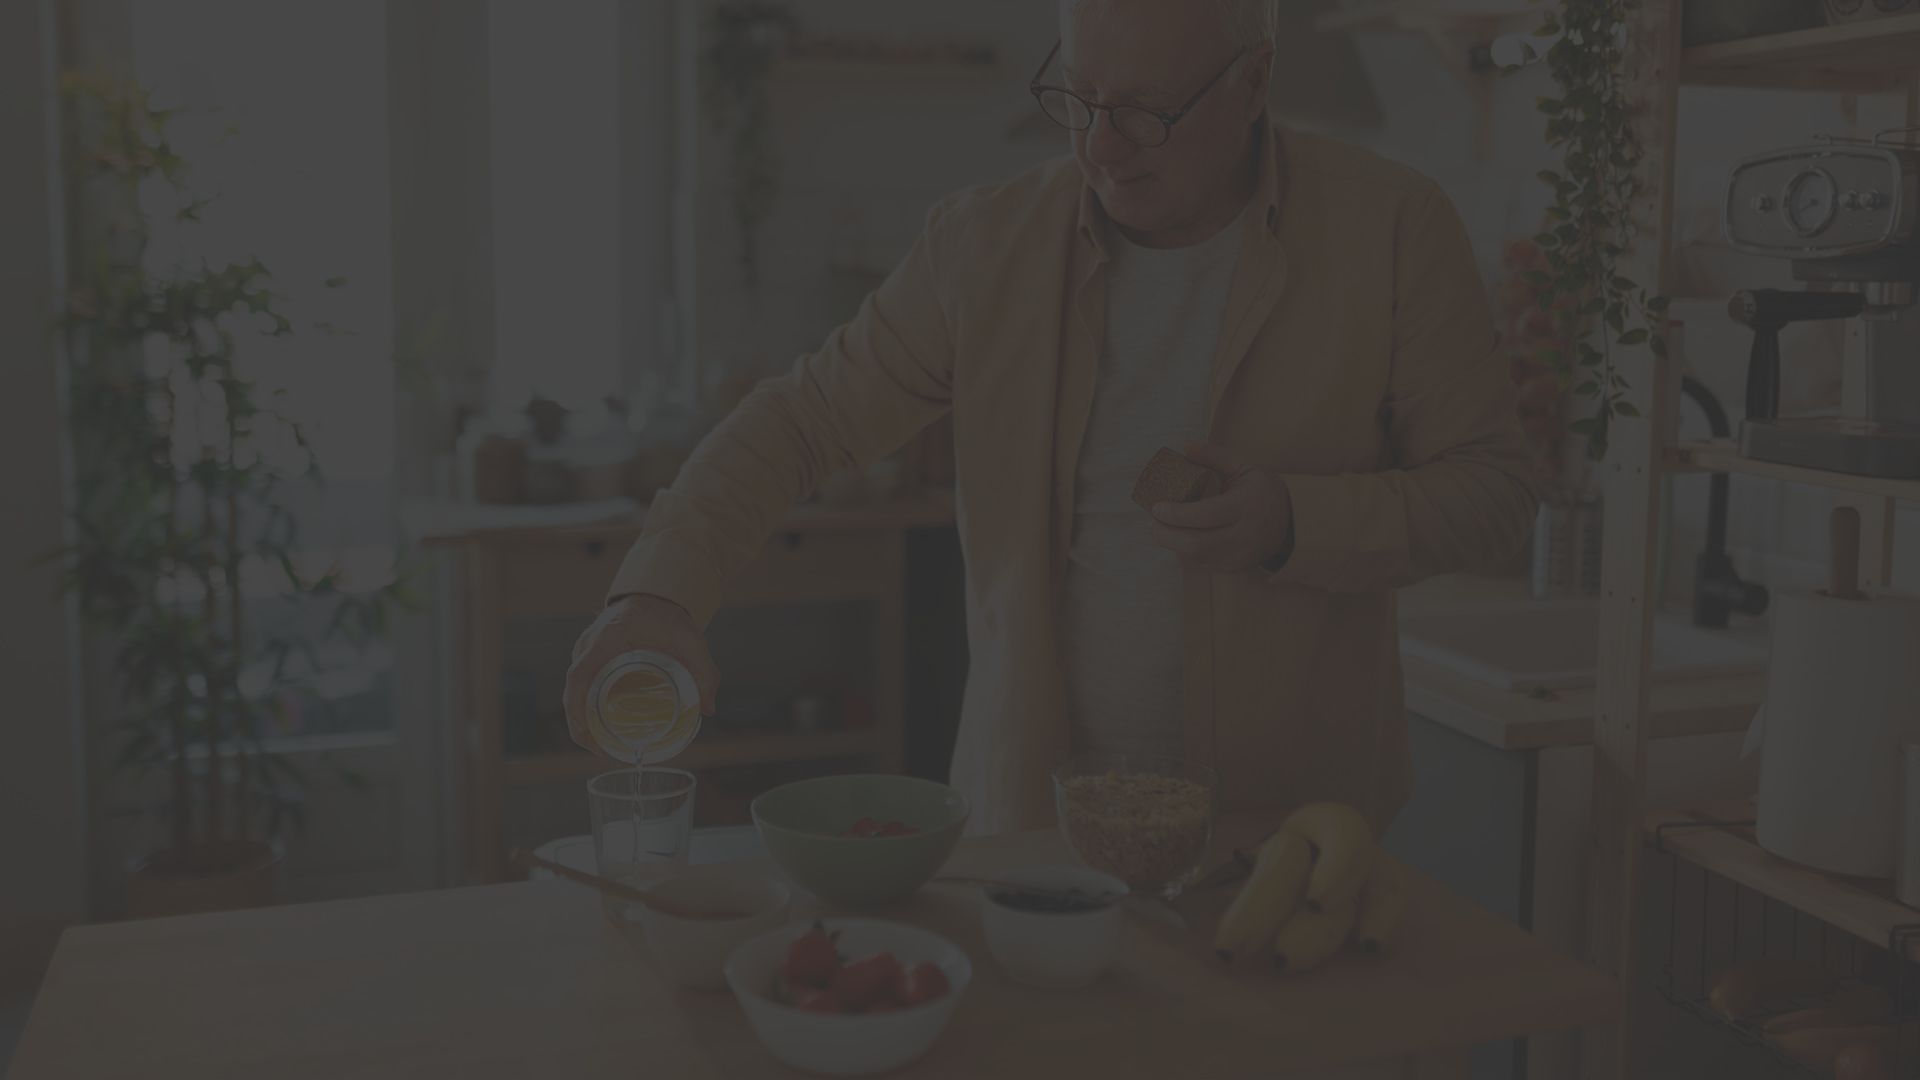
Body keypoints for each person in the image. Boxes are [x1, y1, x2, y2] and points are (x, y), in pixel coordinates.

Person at [566, 0, 1537, 837]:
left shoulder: (1393, 227)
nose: (1098, 148)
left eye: (1147, 112)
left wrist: (1296, 523)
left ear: (1255, 81)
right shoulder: (984, 244)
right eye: (1079, 96)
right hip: (1029, 831)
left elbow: (1495, 492)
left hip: (1287, 832)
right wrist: (657, 594)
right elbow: (802, 420)